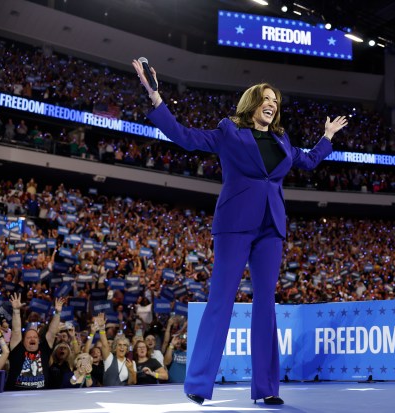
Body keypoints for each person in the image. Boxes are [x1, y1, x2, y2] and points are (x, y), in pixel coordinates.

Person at [132, 59, 347, 406]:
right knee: (221, 300)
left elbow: (306, 161)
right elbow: (186, 138)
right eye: (266, 98)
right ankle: (199, 384)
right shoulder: (229, 131)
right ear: (253, 102)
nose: (272, 104)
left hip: (271, 227)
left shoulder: (281, 139)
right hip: (234, 224)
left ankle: (266, 388)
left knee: (266, 305)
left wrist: (327, 137)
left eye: (275, 101)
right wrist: (156, 99)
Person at [5, 293, 65, 391]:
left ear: (39, 340)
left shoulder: (44, 349)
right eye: (28, 338)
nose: (32, 339)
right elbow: (16, 331)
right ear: (23, 342)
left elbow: (52, 332)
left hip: (40, 396)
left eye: (35, 337)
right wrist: (16, 311)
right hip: (16, 396)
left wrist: (58, 313)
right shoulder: (17, 350)